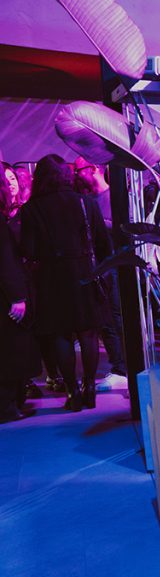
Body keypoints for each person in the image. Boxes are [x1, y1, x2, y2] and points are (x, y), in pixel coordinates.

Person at [19, 155, 113, 411]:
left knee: (61, 335)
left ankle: (72, 391)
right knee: (88, 333)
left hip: (51, 277)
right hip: (85, 272)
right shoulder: (85, 203)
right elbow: (103, 243)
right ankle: (90, 387)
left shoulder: (31, 209)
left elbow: (29, 250)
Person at [73, 157, 127, 392]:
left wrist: (96, 222)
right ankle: (118, 366)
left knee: (116, 317)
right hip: (97, 267)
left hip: (114, 266)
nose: (76, 174)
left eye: (79, 170)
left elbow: (124, 228)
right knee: (106, 320)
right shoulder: (86, 200)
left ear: (93, 169)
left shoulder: (114, 196)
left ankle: (122, 369)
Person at [0, 175, 35, 423]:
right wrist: (17, 296)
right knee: (11, 351)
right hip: (5, 295)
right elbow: (6, 262)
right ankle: (7, 407)